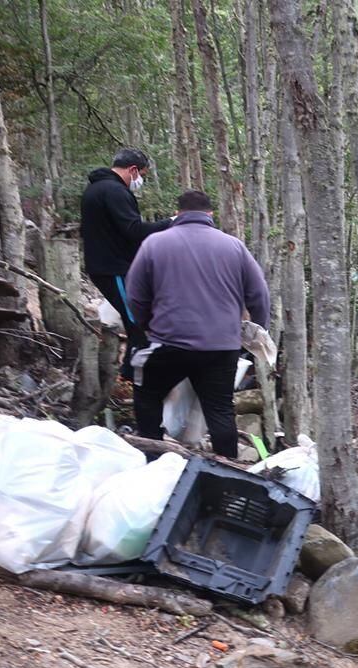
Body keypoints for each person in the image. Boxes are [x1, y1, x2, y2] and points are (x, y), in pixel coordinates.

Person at [126, 191, 270, 458]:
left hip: (169, 343)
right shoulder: (234, 246)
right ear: (210, 215)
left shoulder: (155, 243)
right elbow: (259, 293)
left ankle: (152, 456)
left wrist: (146, 326)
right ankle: (228, 471)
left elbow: (135, 295)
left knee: (147, 393)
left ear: (178, 213)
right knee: (220, 409)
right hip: (221, 347)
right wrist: (257, 331)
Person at [80, 148, 173, 379]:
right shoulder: (113, 191)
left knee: (136, 321)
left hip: (108, 265)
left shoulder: (97, 188)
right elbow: (133, 230)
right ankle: (139, 377)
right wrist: (170, 223)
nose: (141, 180)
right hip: (114, 268)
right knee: (138, 322)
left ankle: (130, 373)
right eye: (142, 174)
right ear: (132, 170)